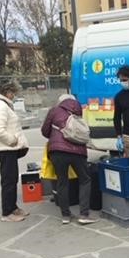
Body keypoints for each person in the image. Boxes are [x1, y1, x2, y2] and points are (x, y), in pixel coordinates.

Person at [41, 94, 97, 225]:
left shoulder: (54, 110)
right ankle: (84, 214)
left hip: (58, 152)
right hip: (78, 151)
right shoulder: (78, 110)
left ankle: (65, 215)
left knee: (62, 182)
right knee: (84, 180)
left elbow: (44, 131)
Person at [0, 82, 29, 222]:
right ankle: (7, 213)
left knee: (11, 179)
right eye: (13, 93)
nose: (14, 96)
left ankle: (13, 207)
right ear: (7, 92)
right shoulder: (0, 106)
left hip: (7, 148)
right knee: (9, 181)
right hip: (6, 148)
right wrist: (12, 140)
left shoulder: (2, 104)